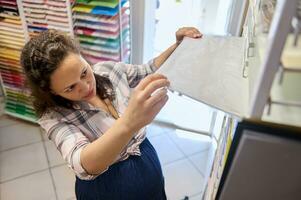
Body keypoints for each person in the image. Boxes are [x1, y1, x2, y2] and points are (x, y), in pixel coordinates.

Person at [20, 27, 202, 200]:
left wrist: (177, 47)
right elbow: (82, 163)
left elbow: (148, 70)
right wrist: (130, 123)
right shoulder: (53, 116)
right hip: (106, 188)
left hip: (148, 165)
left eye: (84, 72)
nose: (85, 87)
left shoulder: (107, 70)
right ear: (51, 92)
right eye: (70, 88)